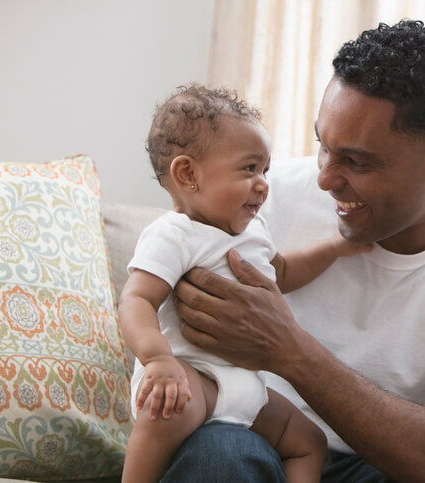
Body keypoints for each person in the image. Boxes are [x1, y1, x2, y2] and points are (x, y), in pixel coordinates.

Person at [169, 20, 425, 482]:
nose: (325, 179)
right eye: (323, 146)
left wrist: (290, 350)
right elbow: (177, 320)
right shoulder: (257, 202)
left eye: (356, 160)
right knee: (219, 452)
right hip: (260, 442)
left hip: (386, 467)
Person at [118, 85, 372, 483]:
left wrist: (336, 248)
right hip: (191, 376)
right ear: (188, 175)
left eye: (266, 170)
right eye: (249, 169)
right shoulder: (173, 235)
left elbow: (284, 272)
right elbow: (136, 301)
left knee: (309, 442)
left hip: (247, 390)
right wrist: (158, 359)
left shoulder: (254, 231)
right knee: (165, 415)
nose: (263, 183)